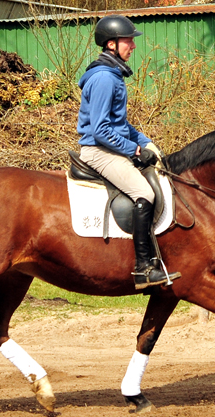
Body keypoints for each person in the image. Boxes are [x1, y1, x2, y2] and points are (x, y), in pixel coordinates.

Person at [77, 14, 181, 290]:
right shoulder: (103, 79)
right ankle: (144, 267)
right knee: (144, 193)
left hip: (109, 147)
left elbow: (119, 125)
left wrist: (147, 143)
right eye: (128, 41)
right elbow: (100, 129)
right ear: (111, 44)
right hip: (98, 151)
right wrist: (134, 150)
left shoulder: (112, 75)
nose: (133, 46)